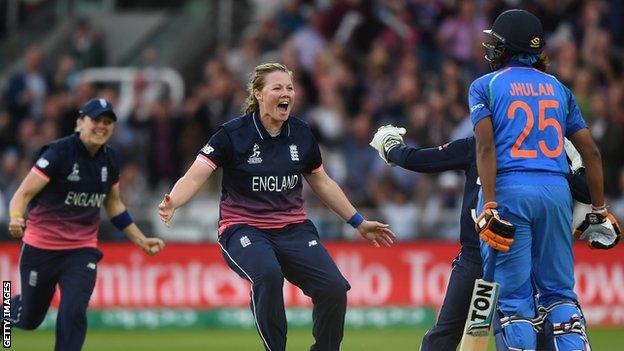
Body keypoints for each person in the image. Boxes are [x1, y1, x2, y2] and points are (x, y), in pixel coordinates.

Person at [157, 62, 395, 351]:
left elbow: (322, 183)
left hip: (294, 229)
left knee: (333, 288)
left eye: (290, 88)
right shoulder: (232, 134)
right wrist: (174, 201)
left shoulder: (301, 133)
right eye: (278, 88)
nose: (287, 94)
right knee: (268, 274)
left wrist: (358, 221)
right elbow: (197, 173)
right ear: (258, 94)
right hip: (242, 228)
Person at [469, 9, 620, 350]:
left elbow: (486, 146)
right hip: (556, 193)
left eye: (495, 42)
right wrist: (598, 210)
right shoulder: (559, 88)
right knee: (559, 295)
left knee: (514, 300)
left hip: (509, 192)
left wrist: (490, 203)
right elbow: (591, 153)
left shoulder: (484, 86)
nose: (490, 47)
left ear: (507, 47)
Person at [370, 127, 591, 350]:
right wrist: (571, 165)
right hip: (506, 257)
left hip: (490, 257)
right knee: (527, 329)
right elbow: (586, 191)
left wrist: (390, 147)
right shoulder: (545, 148)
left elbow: (418, 160)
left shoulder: (481, 145)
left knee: (452, 333)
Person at [8, 98, 165, 351]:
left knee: (73, 311)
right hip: (41, 249)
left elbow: (113, 204)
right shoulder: (57, 153)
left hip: (81, 251)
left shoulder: (111, 160)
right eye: (96, 120)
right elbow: (23, 193)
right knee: (28, 319)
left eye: (107, 122)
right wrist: (16, 216)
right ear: (80, 123)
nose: (101, 126)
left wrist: (140, 239)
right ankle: (7, 309)